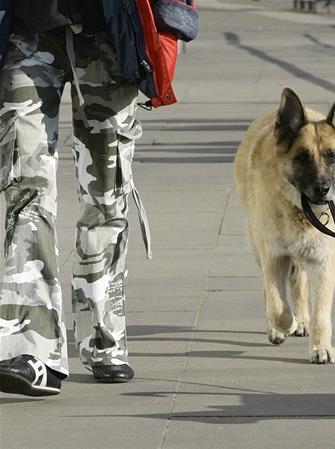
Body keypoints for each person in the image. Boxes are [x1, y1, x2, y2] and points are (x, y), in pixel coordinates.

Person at [0, 0, 196, 396]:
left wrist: (171, 20)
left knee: (107, 195)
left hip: (110, 32)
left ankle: (104, 339)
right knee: (24, 189)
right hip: (24, 30)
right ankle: (30, 350)